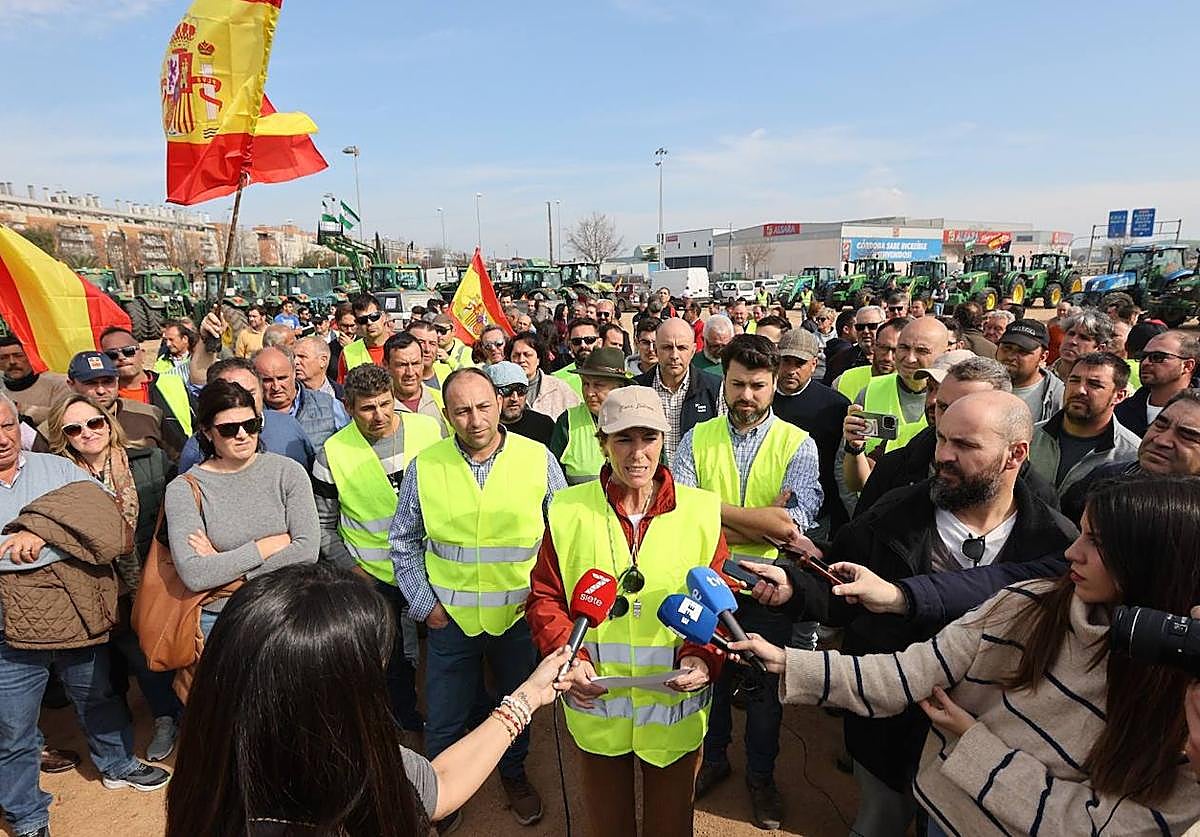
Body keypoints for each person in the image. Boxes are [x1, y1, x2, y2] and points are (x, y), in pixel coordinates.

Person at [734, 476, 1200, 836]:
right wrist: (784, 661)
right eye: (1080, 533)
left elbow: (1102, 827)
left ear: (1155, 560)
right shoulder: (1028, 603)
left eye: (1096, 542)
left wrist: (972, 744)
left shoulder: (1186, 694)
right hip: (943, 814)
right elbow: (908, 673)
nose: (1071, 552)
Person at [747, 391, 1078, 836]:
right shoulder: (894, 513)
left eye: (965, 445)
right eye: (942, 439)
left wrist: (901, 595)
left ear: (1015, 454)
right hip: (890, 728)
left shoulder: (1054, 540)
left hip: (994, 737)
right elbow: (840, 586)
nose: (944, 455)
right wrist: (794, 586)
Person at [165, 562, 573, 836]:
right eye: (371, 672)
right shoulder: (355, 781)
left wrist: (528, 695)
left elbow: (440, 784)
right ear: (332, 695)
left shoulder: (208, 779)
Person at [526, 386, 726, 837]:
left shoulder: (701, 511)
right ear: (602, 443)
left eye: (648, 438)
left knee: (671, 826)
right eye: (623, 440)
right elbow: (544, 597)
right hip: (596, 702)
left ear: (663, 440)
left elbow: (716, 595)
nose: (638, 454)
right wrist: (570, 658)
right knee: (606, 825)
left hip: (674, 705)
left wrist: (702, 655)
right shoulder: (567, 510)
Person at [390, 368, 567, 831]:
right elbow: (404, 541)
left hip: (517, 619)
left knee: (518, 705)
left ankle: (513, 774)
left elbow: (564, 537)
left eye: (484, 406)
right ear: (447, 415)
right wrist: (425, 605)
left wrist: (545, 604)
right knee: (444, 717)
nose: (475, 419)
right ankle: (434, 800)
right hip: (451, 622)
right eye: (462, 410)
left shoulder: (538, 458)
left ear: (502, 402)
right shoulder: (425, 466)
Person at [0, 394, 170, 837]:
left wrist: (39, 530)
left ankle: (116, 763)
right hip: (7, 629)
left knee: (98, 697)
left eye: (7, 425)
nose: (3, 439)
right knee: (13, 727)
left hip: (76, 612)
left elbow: (107, 528)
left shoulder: (54, 469)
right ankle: (27, 815)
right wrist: (53, 539)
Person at [672, 335, 821, 830]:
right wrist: (764, 519)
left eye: (758, 385)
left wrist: (721, 517)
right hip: (706, 580)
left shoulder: (798, 443)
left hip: (768, 585)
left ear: (774, 384)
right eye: (737, 383)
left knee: (763, 690)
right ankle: (714, 759)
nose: (747, 395)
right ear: (725, 382)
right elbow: (683, 515)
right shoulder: (695, 439)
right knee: (708, 681)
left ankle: (761, 776)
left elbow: (793, 525)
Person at [45, 393, 181, 761]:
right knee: (100, 672)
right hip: (89, 588)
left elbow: (175, 515)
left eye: (94, 422)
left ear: (108, 422)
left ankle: (166, 718)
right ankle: (116, 744)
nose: (87, 433)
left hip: (147, 581)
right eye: (74, 428)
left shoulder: (150, 461)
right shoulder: (54, 479)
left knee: (147, 657)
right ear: (64, 436)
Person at [312, 364, 441, 735]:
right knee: (390, 656)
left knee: (443, 647)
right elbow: (324, 523)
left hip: (432, 565)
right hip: (373, 575)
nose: (379, 415)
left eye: (386, 404)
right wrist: (354, 571)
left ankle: (448, 714)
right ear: (349, 407)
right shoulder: (331, 453)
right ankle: (403, 717)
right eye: (367, 408)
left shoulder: (428, 430)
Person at [165, 380, 319, 638]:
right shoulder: (184, 489)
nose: (242, 435)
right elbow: (196, 573)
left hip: (289, 612)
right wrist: (265, 547)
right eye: (228, 429)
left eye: (251, 425)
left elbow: (306, 550)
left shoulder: (288, 472)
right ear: (206, 431)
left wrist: (230, 571)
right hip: (223, 621)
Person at [855, 354, 1056, 516]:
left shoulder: (1036, 496)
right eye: (943, 406)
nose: (947, 415)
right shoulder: (894, 469)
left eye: (964, 407)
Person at [841, 317, 948, 501]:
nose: (910, 358)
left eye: (922, 351)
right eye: (904, 347)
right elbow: (846, 472)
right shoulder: (870, 392)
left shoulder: (954, 402)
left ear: (945, 353)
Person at [772, 328, 851, 535]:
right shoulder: (760, 399)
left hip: (818, 516)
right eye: (785, 361)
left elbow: (841, 466)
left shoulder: (835, 405)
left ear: (814, 364)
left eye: (799, 363)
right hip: (763, 506)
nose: (791, 370)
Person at [1028, 352, 1140, 496]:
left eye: (1094, 384)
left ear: (1119, 396)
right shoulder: (1029, 436)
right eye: (1074, 380)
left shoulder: (1131, 456)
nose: (1080, 390)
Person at [177, 357, 314, 472]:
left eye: (250, 393)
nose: (242, 401)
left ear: (261, 391)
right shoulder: (195, 450)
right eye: (231, 395)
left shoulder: (288, 425)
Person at [636, 318, 723, 464]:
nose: (674, 355)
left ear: (694, 350)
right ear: (656, 349)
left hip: (697, 483)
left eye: (682, 348)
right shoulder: (637, 389)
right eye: (667, 347)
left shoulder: (715, 388)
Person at [58, 350, 171, 458]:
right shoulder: (56, 428)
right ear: (71, 384)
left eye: (108, 382)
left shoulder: (150, 415)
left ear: (117, 379)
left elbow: (178, 462)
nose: (101, 391)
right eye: (90, 383)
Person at [100, 327, 194, 450]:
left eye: (129, 351)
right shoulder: (102, 397)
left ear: (142, 354)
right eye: (111, 355)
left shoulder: (173, 383)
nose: (121, 357)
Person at [550, 347, 629, 484]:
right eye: (585, 384)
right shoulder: (567, 422)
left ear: (619, 388)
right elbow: (552, 477)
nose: (589, 392)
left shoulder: (637, 421)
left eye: (598, 385)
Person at [253, 346, 349, 449]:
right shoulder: (250, 414)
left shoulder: (329, 405)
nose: (276, 387)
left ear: (294, 372)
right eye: (267, 380)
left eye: (282, 378)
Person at [1115, 330, 1198, 436]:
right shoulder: (1121, 411)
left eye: (1158, 357)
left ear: (1187, 366)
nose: (1145, 363)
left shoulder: (1196, 411)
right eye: (1142, 356)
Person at [995, 319, 1063, 422]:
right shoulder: (980, 384)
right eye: (1006, 348)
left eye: (1022, 351)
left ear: (1043, 357)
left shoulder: (1057, 397)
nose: (1011, 356)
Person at [384, 332, 449, 436]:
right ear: (386, 365)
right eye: (402, 365)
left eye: (415, 364)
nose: (410, 373)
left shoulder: (442, 400)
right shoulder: (380, 409)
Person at [507, 330, 579, 421]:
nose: (521, 360)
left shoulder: (559, 388)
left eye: (527, 355)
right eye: (516, 355)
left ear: (538, 359)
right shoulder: (502, 389)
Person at [0, 336, 70, 427]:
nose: (12, 362)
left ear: (30, 356)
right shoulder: (1, 390)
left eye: (18, 356)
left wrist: (25, 411)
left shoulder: (58, 383)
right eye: (4, 358)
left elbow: (64, 415)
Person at [486, 361, 554, 446]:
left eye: (521, 390)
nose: (515, 398)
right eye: (506, 391)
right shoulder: (482, 430)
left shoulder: (544, 425)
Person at [336, 294, 394, 383]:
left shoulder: (403, 344)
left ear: (384, 317)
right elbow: (343, 391)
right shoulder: (348, 353)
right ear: (357, 324)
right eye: (363, 320)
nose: (369, 322)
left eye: (374, 316)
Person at [824, 305, 885, 390]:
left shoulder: (896, 359)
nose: (866, 331)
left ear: (884, 326)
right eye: (860, 327)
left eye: (872, 326)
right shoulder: (839, 361)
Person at [1051, 307, 1112, 382]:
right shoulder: (1040, 377)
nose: (1072, 341)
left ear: (1100, 349)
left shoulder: (1107, 384)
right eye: (1071, 334)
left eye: (1083, 338)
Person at [553, 317, 599, 396]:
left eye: (589, 340)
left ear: (600, 342)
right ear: (570, 345)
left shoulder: (614, 376)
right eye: (576, 341)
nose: (583, 345)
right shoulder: (557, 379)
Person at [408, 319, 453, 391]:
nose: (427, 349)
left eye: (432, 344)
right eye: (421, 342)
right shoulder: (399, 382)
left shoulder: (448, 372)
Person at [293, 335, 341, 400]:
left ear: (323, 361)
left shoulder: (342, 394)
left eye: (302, 357)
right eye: (294, 357)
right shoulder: (287, 396)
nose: (295, 362)